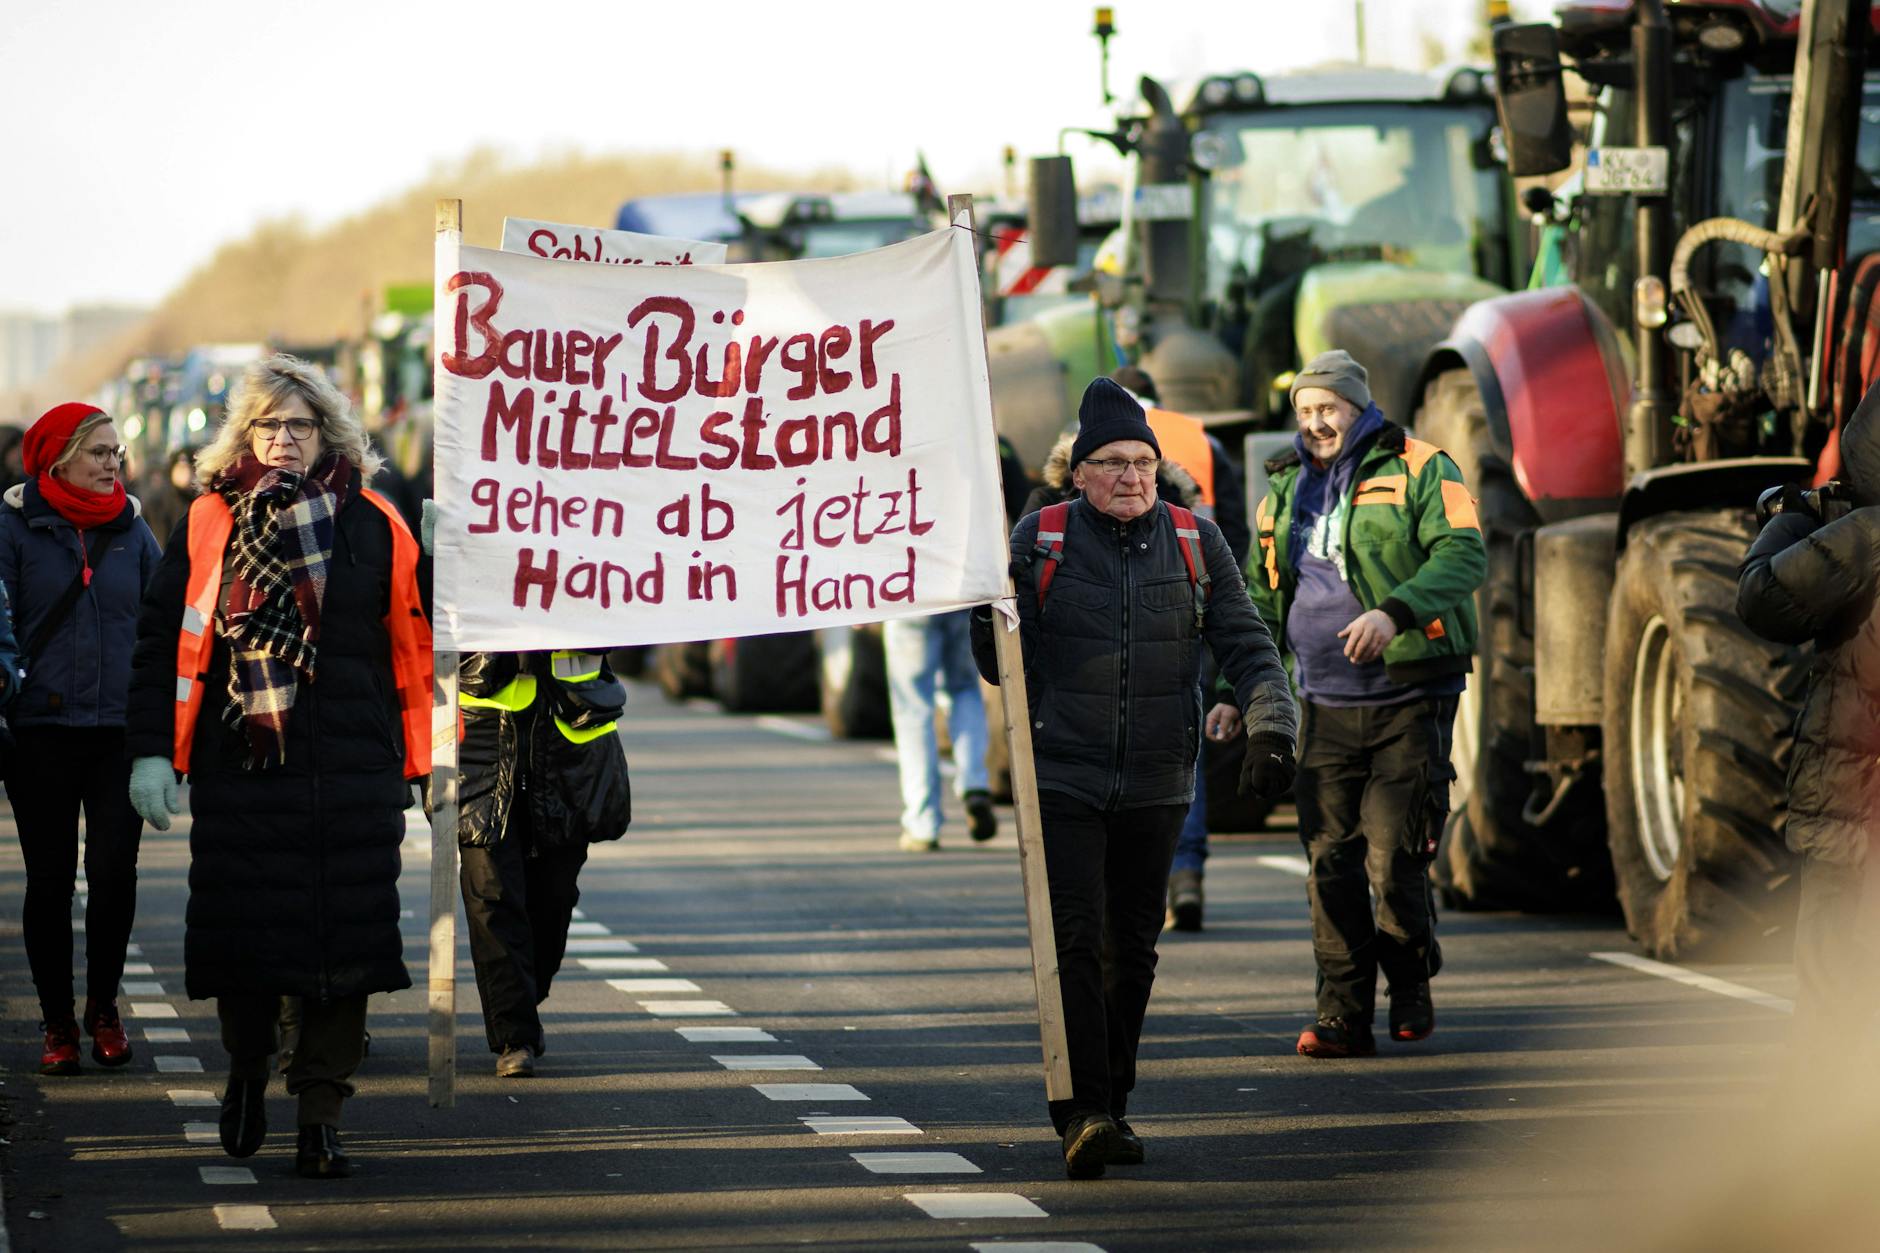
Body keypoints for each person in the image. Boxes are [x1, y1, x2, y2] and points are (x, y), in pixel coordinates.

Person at [972, 377, 1297, 1179]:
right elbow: (996, 663)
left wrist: (1272, 728)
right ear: (1077, 473)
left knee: (1134, 951)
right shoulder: (1038, 538)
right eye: (1111, 462)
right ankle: (1081, 1110)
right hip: (1064, 776)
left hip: (1157, 780)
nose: (1131, 476)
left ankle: (1111, 1099)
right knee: (1076, 942)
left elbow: (1250, 645)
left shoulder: (1196, 541)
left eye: (1143, 461)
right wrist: (986, 610)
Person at [125, 354, 431, 1180]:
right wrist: (152, 748)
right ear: (246, 433)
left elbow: (415, 641)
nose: (287, 439)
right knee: (248, 939)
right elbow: (164, 642)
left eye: (301, 425)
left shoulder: (376, 520)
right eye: (271, 425)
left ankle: (322, 1112)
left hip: (355, 766)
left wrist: (445, 566)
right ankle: (250, 1069)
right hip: (245, 765)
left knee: (348, 946)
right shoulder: (209, 522)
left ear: (328, 430)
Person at [1248, 350, 1485, 1058]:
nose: (1317, 422)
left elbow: (1465, 554)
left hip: (1409, 696)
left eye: (1329, 408)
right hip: (1321, 701)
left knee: (1393, 858)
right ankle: (1342, 1014)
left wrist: (1393, 612)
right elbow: (1261, 599)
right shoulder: (1283, 489)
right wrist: (1239, 692)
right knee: (1329, 860)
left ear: (1357, 406)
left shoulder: (1423, 466)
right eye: (1305, 410)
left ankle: (1410, 979)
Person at [0, 402, 159, 1075]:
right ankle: (58, 1020)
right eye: (98, 452)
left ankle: (103, 1008)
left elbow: (161, 624)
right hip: (39, 733)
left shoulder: (134, 528)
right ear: (57, 457)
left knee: (113, 875)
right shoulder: (12, 526)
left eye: (116, 452)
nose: (112, 463)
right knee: (50, 879)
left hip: (117, 732)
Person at [1736, 388, 1880, 1057]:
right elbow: (1766, 598)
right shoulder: (1853, 532)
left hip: (1849, 817)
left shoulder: (1857, 537)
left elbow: (1763, 596)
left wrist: (1798, 518)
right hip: (1848, 815)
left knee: (1830, 1019)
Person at [1110, 365, 1252, 932]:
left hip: (1109, 627)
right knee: (1182, 745)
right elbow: (1235, 534)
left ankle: (1129, 883)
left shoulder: (1088, 446)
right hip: (1189, 613)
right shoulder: (1204, 441)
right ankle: (1186, 875)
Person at [456, 648, 633, 1076]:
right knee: (491, 892)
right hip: (481, 739)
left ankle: (521, 997)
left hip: (569, 742)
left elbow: (624, 611)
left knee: (553, 898)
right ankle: (515, 1037)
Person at [886, 610, 995, 852]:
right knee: (965, 689)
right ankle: (975, 783)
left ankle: (922, 822)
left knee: (913, 708)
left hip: (907, 596)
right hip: (960, 596)